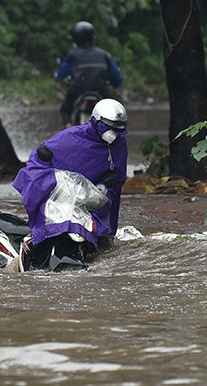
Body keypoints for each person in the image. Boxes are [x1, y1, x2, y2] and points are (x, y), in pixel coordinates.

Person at [12, 99, 128, 270]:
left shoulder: (118, 144)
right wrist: (48, 168)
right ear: (95, 121)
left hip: (92, 199)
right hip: (63, 196)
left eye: (117, 130)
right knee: (53, 223)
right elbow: (39, 158)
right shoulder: (72, 136)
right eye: (109, 128)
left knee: (97, 233)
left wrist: (107, 186)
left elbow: (117, 183)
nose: (113, 134)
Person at [54, 21, 123, 127]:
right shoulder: (104, 55)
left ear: (75, 38)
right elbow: (117, 79)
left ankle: (68, 127)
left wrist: (60, 78)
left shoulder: (72, 55)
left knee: (65, 110)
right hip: (101, 91)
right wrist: (116, 83)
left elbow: (61, 74)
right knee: (114, 114)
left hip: (77, 91)